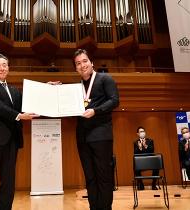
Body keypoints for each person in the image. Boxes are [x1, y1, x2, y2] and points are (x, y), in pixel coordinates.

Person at [0, 53, 37, 210]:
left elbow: (30, 100)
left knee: (8, 182)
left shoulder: (14, 90)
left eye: (5, 65)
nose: (2, 67)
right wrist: (18, 115)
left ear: (8, 68)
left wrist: (47, 88)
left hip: (12, 141)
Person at [73, 49, 119, 210]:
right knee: (90, 177)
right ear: (76, 68)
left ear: (91, 63)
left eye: (84, 61)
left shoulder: (105, 79)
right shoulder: (76, 87)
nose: (82, 65)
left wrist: (96, 111)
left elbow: (114, 101)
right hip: (82, 137)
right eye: (78, 63)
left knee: (103, 176)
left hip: (101, 135)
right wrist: (53, 90)